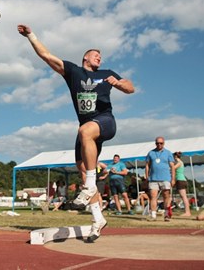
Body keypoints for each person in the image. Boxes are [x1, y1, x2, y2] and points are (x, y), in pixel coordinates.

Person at [18, 24, 135, 243]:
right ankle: (98, 219)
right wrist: (30, 35)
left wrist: (118, 83)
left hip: (105, 121)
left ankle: (90, 186)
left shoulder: (107, 74)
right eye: (95, 55)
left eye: (101, 56)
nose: (99, 57)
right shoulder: (73, 72)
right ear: (85, 58)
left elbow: (131, 88)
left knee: (85, 132)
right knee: (82, 169)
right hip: (86, 131)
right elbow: (46, 56)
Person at [145, 136, 175, 222]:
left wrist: (173, 179)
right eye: (157, 143)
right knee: (153, 197)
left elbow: (172, 166)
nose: (159, 145)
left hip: (165, 178)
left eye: (161, 143)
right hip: (153, 179)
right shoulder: (151, 153)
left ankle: (166, 215)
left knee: (166, 196)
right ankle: (153, 215)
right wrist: (147, 177)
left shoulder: (168, 153)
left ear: (164, 143)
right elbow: (147, 165)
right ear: (155, 143)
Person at [173, 151, 191, 217]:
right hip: (180, 180)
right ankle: (187, 211)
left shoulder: (179, 163)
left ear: (175, 156)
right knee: (183, 196)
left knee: (184, 197)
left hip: (180, 180)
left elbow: (173, 168)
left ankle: (187, 212)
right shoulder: (180, 162)